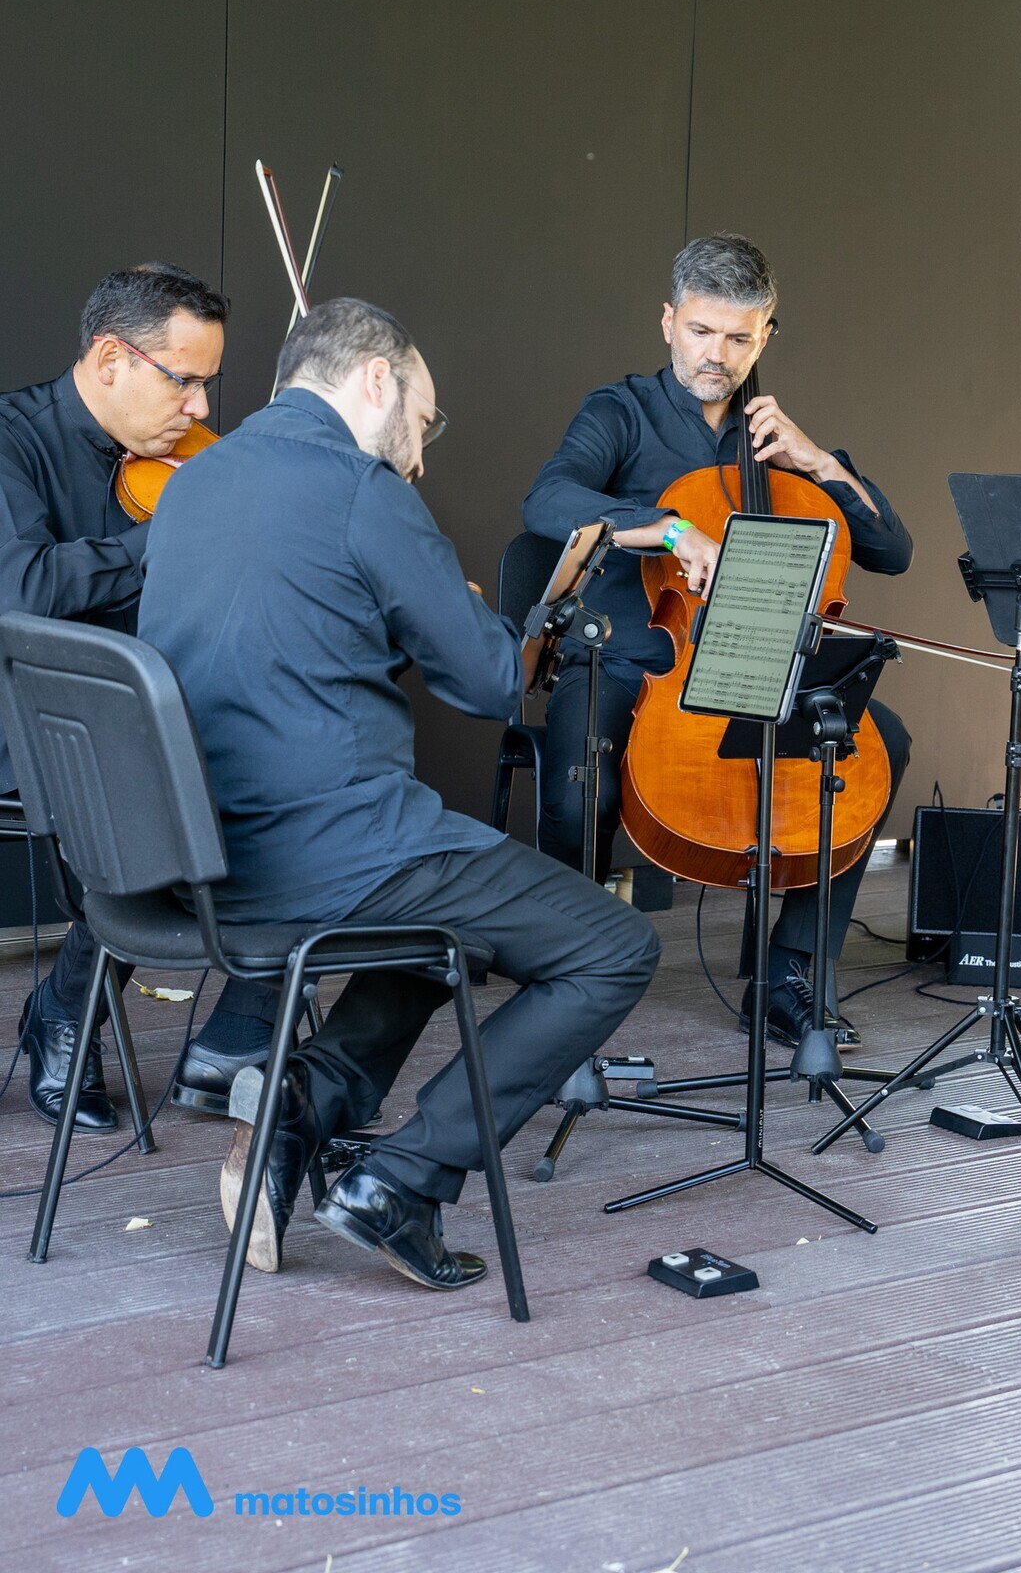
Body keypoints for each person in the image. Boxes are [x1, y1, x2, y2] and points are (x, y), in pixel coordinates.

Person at [140, 298, 659, 1287]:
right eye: (421, 422)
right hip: (329, 854)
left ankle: (300, 1105)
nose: (418, 456)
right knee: (614, 946)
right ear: (375, 379)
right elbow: (491, 683)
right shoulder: (363, 489)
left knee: (449, 925)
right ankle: (402, 1179)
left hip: (199, 857)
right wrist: (481, 617)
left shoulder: (195, 480)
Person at [525, 233, 912, 1048]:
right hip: (625, 658)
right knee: (576, 785)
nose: (718, 355)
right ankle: (564, 970)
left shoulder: (777, 442)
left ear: (765, 336)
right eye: (702, 331)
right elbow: (548, 499)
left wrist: (823, 465)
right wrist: (668, 529)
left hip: (758, 665)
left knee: (875, 744)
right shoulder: (621, 411)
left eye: (740, 338)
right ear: (669, 321)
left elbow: (891, 549)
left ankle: (790, 973)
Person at [0, 263, 282, 1134]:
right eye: (184, 381)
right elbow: (22, 594)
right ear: (111, 359)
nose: (200, 408)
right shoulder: (10, 441)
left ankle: (238, 1031)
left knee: (291, 767)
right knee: (164, 783)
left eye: (207, 384)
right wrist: (163, 537)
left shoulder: (184, 460)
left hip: (148, 711)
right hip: (30, 712)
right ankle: (68, 1012)